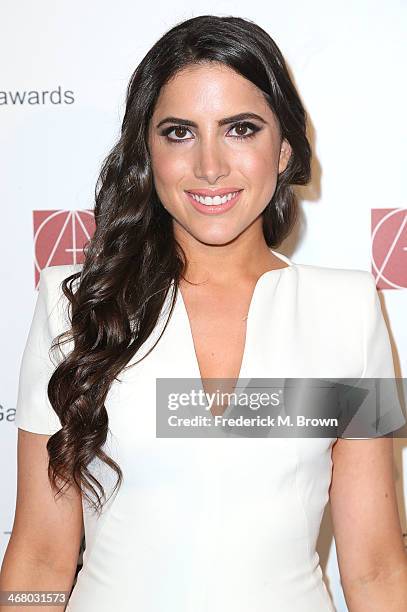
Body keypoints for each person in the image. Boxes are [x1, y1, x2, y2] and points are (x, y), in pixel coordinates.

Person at [1, 14, 406, 612]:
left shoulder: (346, 309)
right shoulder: (77, 306)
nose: (210, 165)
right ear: (147, 152)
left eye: (240, 128)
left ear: (284, 147)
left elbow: (374, 567)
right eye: (179, 132)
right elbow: (39, 555)